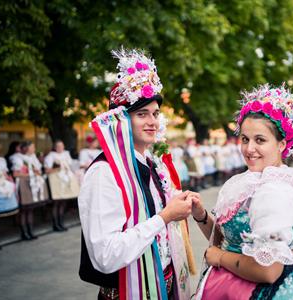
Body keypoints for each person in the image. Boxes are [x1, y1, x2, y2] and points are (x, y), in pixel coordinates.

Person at [191, 83, 293, 299]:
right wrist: (201, 215)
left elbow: (268, 270)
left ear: (281, 145)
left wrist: (221, 258)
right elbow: (227, 240)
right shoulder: (245, 181)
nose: (249, 149)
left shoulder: (274, 191)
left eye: (260, 140)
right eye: (244, 139)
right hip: (233, 280)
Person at [78, 48, 195, 300]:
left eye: (155, 114)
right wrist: (164, 217)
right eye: (142, 114)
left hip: (165, 287)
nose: (152, 121)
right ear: (121, 121)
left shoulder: (151, 164)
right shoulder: (104, 173)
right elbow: (106, 256)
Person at [12, 141, 49, 240]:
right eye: (32, 147)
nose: (34, 149)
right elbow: (15, 174)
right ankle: (24, 233)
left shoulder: (33, 158)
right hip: (24, 184)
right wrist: (30, 174)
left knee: (30, 210)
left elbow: (37, 170)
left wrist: (35, 172)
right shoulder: (17, 158)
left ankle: (30, 231)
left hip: (33, 184)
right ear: (26, 148)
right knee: (24, 210)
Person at [44, 140, 80, 231]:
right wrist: (57, 167)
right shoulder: (50, 156)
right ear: (55, 147)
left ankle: (61, 222)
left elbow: (71, 165)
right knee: (56, 203)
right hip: (56, 181)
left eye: (62, 146)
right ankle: (55, 224)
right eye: (59, 146)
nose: (61, 148)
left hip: (65, 180)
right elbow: (47, 170)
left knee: (63, 203)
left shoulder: (66, 154)